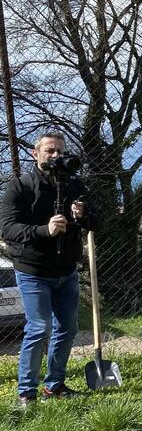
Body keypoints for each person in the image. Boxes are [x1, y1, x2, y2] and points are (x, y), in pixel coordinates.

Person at [0, 133, 101, 406]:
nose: (56, 156)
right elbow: (8, 229)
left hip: (66, 270)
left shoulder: (74, 185)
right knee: (39, 328)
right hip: (33, 271)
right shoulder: (21, 187)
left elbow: (97, 222)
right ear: (36, 154)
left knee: (67, 328)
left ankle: (54, 385)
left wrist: (84, 215)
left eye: (60, 151)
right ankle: (26, 392)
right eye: (50, 151)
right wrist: (45, 230)